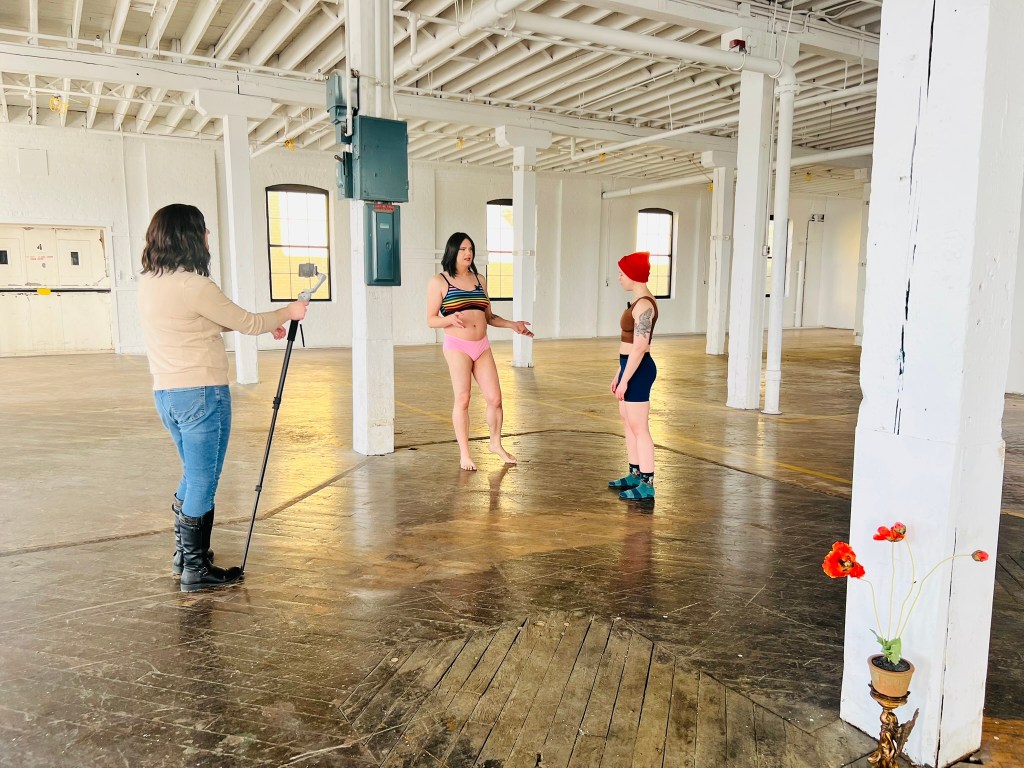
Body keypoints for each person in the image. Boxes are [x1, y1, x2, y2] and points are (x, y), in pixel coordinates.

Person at [138, 203, 308, 592]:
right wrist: (289, 311)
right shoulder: (194, 285)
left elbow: (205, 322)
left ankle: (185, 556)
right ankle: (196, 569)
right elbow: (246, 321)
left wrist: (268, 324)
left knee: (192, 474)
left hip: (167, 394)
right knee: (203, 479)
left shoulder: (151, 282)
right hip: (201, 393)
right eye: (203, 229)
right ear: (188, 235)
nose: (208, 236)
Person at [426, 232, 534, 471]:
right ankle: (465, 454)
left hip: (481, 345)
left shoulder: (479, 279)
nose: (468, 253)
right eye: (463, 249)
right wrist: (449, 319)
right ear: (452, 251)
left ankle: (495, 443)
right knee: (463, 398)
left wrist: (513, 325)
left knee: (495, 398)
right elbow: (431, 319)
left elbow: (489, 317)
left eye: (471, 249)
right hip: (458, 346)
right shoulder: (439, 281)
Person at [609, 251, 658, 501]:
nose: (619, 278)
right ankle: (635, 474)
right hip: (629, 367)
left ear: (633, 275)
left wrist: (627, 379)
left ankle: (647, 484)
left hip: (638, 370)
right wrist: (619, 373)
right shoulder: (638, 302)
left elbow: (640, 347)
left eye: (622, 273)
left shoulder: (645, 305)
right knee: (629, 423)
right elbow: (629, 347)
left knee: (640, 428)